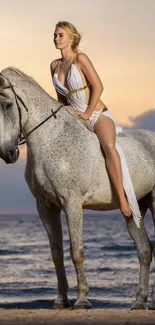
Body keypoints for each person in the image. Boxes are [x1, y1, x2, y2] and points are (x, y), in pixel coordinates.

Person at [50, 21, 140, 222]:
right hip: (75, 116)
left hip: (97, 113)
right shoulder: (54, 65)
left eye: (60, 35)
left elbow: (98, 86)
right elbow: (61, 99)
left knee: (108, 146)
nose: (56, 39)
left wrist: (88, 112)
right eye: (55, 35)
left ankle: (121, 199)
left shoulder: (80, 58)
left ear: (71, 38)